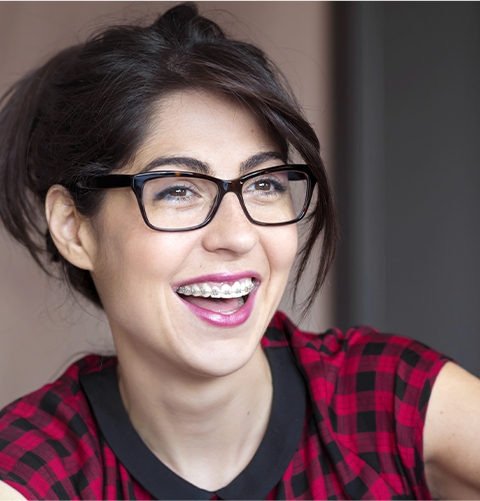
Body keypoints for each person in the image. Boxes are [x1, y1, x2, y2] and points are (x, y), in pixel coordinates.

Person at [0, 3, 479, 500]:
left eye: (265, 183)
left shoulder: (387, 404)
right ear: (75, 230)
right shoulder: (35, 468)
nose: (239, 234)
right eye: (179, 190)